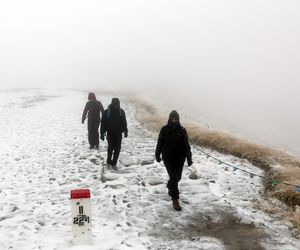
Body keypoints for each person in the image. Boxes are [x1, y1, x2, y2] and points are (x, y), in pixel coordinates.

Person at [155, 110, 193, 211]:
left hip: (180, 158)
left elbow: (186, 145)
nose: (174, 120)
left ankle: (170, 185)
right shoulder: (164, 129)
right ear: (169, 118)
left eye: (175, 118)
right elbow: (160, 143)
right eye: (172, 118)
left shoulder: (182, 130)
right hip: (168, 158)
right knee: (173, 177)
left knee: (177, 177)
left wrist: (189, 158)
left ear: (178, 119)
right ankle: (175, 200)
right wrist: (157, 155)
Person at [100, 98, 128, 170]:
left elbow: (124, 122)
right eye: (114, 104)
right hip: (110, 133)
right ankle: (109, 162)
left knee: (117, 148)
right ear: (112, 104)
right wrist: (102, 133)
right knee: (110, 147)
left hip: (119, 133)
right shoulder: (106, 112)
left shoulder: (121, 112)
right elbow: (103, 123)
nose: (116, 106)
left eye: (117, 104)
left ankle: (114, 163)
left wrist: (125, 131)